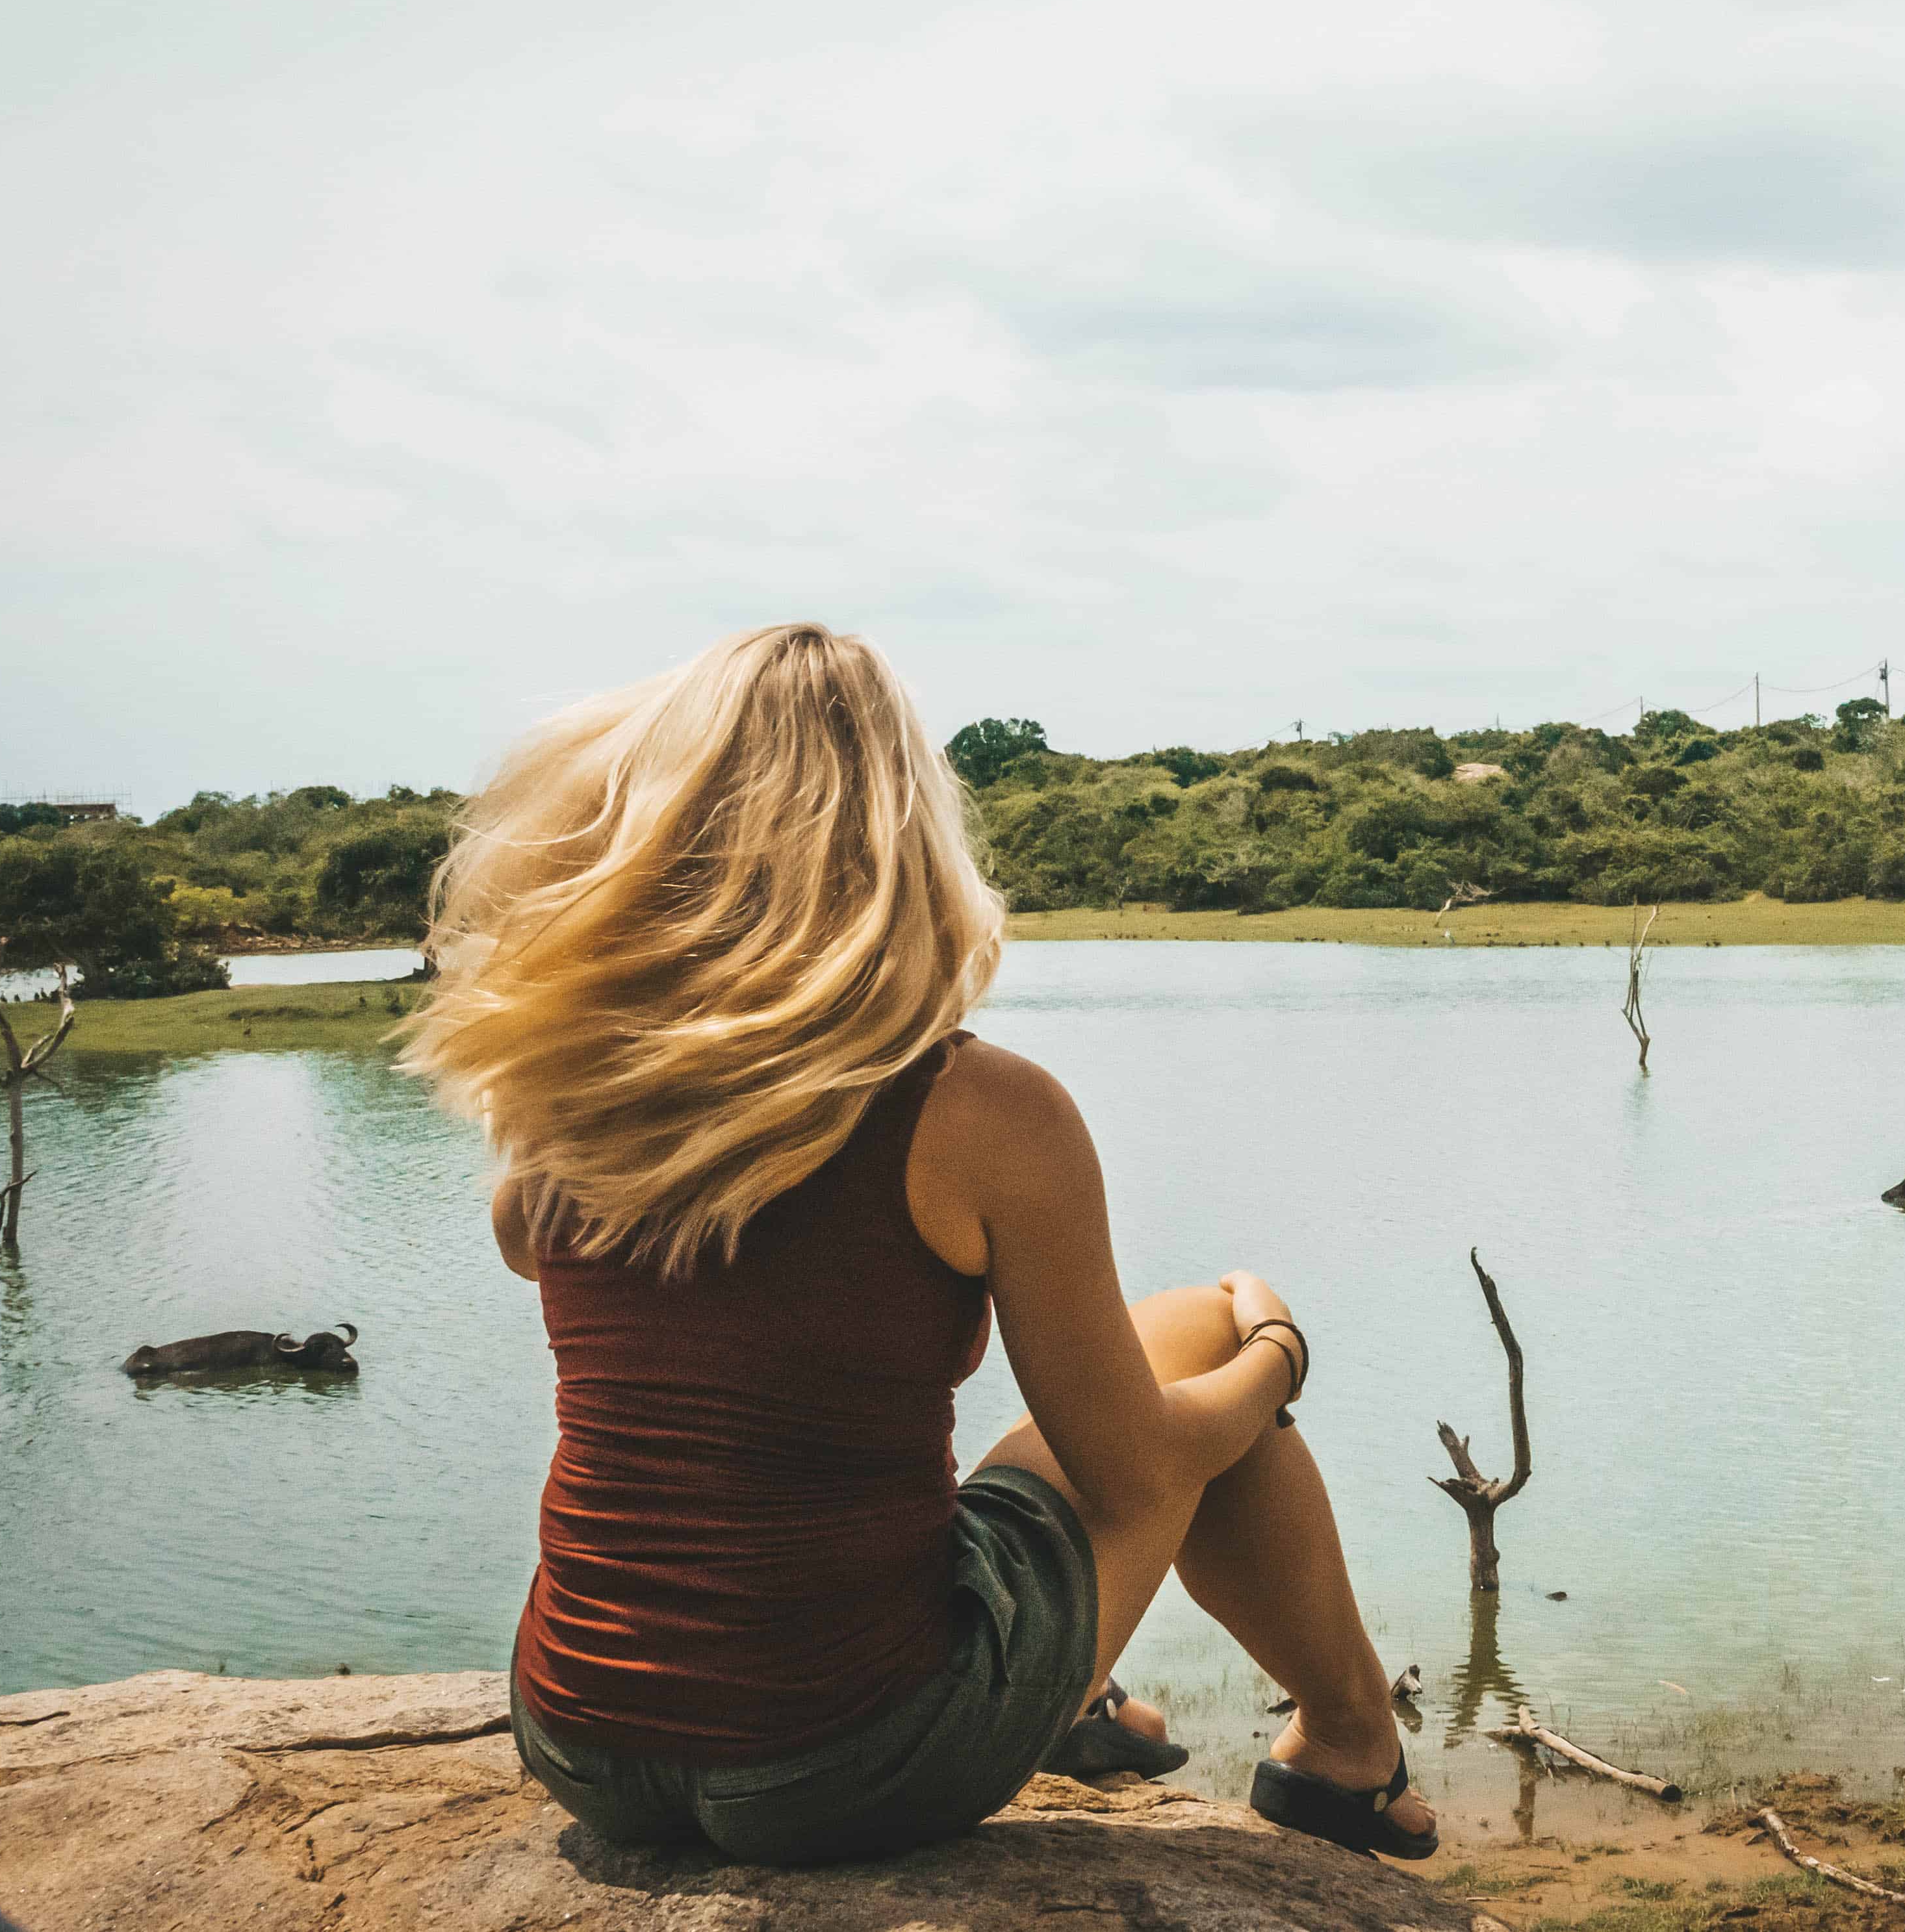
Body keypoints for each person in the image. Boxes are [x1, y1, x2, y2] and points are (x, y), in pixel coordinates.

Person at [402, 624, 1435, 1866]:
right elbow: (1141, 1471)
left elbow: (536, 1250)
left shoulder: (574, 1092)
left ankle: (1124, 1704)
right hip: (846, 1758)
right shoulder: (978, 1107)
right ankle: (1346, 1745)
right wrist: (1278, 1346)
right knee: (1211, 1357)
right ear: (898, 829)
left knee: (1168, 1340)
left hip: (579, 1737)